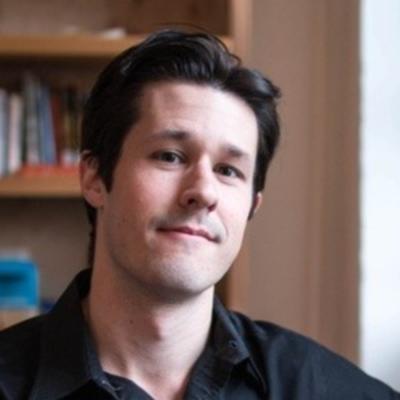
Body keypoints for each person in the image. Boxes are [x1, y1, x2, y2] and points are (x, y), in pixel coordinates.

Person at [0, 30, 399, 400]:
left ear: (252, 206)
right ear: (94, 178)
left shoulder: (322, 388)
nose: (204, 192)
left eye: (228, 170)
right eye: (170, 156)